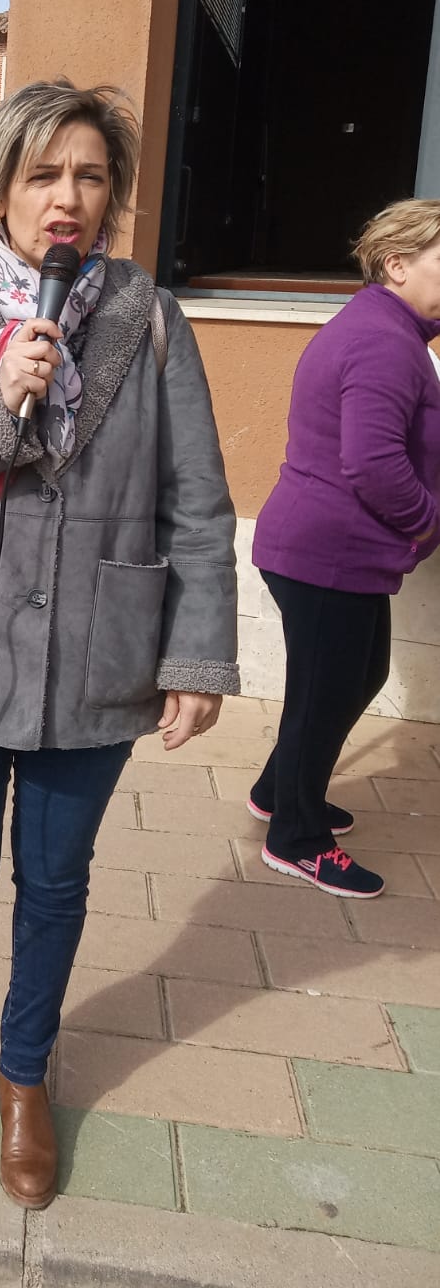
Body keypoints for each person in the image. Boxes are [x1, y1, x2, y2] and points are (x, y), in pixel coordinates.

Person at [0, 79, 238, 1212]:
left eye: (91, 176)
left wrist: (196, 654)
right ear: (0, 189)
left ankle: (24, 1079)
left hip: (98, 657)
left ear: (112, 195)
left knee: (55, 885)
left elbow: (198, 500)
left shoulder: (147, 317)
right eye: (43, 174)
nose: (67, 199)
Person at [250, 199, 440, 900]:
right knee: (323, 695)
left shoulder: (392, 329)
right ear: (397, 264)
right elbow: (373, 462)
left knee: (354, 677)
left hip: (332, 550)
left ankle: (279, 791)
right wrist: (424, 522)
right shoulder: (384, 341)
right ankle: (296, 838)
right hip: (327, 551)